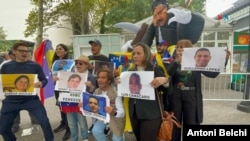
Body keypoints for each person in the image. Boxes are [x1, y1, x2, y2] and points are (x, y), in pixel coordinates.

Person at [167, 39, 231, 141]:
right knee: (175, 123)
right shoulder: (173, 61)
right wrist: (176, 61)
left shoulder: (197, 62)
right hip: (176, 95)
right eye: (179, 47)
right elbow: (169, 72)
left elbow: (213, 74)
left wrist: (225, 60)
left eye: (183, 47)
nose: (180, 49)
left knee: (191, 122)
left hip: (191, 95)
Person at [0, 42, 54, 141]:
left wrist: (41, 84)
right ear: (14, 52)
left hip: (31, 99)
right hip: (11, 100)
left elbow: (44, 79)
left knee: (44, 122)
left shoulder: (34, 66)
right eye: (21, 51)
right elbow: (2, 82)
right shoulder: (6, 66)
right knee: (3, 128)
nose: (24, 53)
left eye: (26, 51)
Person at [117, 42, 169, 141]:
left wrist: (165, 81)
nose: (135, 56)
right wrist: (119, 83)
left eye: (138, 53)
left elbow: (168, 91)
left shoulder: (155, 69)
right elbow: (125, 93)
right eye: (134, 53)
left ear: (146, 54)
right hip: (134, 113)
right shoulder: (129, 72)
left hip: (151, 115)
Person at [58, 55, 97, 141]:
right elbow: (62, 87)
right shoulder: (69, 74)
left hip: (81, 104)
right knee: (71, 124)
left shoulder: (91, 77)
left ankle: (85, 138)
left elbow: (94, 92)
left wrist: (90, 86)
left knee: (82, 124)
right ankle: (74, 138)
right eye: (76, 63)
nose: (78, 65)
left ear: (87, 65)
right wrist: (58, 82)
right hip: (69, 103)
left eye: (80, 63)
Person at [0, 49, 38, 133]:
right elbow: (1, 79)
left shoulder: (28, 63)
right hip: (12, 93)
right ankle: (15, 125)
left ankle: (35, 121)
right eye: (15, 55)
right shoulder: (4, 65)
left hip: (28, 91)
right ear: (10, 56)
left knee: (32, 107)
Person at [91, 69, 125, 141]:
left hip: (115, 118)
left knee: (117, 139)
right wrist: (83, 105)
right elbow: (90, 103)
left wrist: (114, 112)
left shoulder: (116, 93)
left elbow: (122, 113)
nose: (99, 80)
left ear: (109, 81)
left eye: (103, 78)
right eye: (98, 77)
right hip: (103, 117)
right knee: (96, 131)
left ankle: (121, 136)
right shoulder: (97, 91)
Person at [87, 39, 111, 135]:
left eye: (95, 45)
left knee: (105, 106)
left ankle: (107, 126)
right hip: (92, 87)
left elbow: (110, 72)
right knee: (92, 106)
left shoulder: (105, 59)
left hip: (103, 87)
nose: (93, 47)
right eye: (92, 45)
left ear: (100, 47)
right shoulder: (87, 58)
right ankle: (94, 124)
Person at [52, 43, 71, 140]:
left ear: (66, 51)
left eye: (60, 49)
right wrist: (53, 78)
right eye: (57, 49)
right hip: (57, 88)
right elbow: (52, 75)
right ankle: (63, 123)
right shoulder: (55, 62)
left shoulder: (70, 62)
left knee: (66, 107)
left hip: (66, 88)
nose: (58, 50)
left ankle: (69, 129)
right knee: (60, 106)